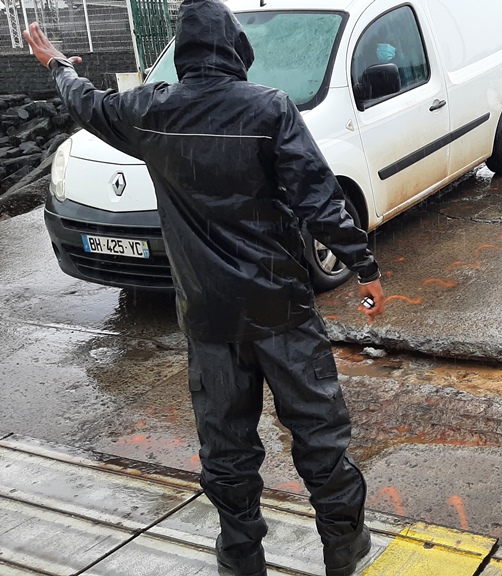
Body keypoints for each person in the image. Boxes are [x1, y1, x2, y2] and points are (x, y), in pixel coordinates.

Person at [23, 1, 383, 575]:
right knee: (319, 435)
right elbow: (320, 200)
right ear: (236, 47)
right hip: (281, 309)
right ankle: (344, 547)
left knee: (226, 449)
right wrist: (364, 268)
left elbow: (85, 102)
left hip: (208, 316)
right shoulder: (269, 108)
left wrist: (57, 63)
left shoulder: (149, 110)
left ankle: (241, 559)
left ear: (185, 53)